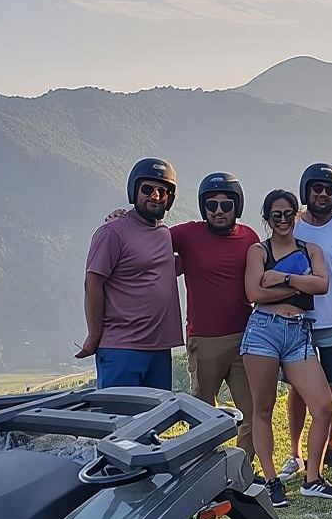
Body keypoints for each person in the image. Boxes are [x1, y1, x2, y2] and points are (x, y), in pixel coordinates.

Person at [241, 190, 332, 505]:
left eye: (288, 214)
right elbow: (253, 293)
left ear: (296, 215)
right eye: (276, 215)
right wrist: (300, 283)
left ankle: (313, 477)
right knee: (263, 408)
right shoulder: (258, 251)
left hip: (299, 332)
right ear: (267, 218)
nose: (283, 220)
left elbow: (322, 285)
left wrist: (282, 278)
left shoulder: (310, 249)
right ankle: (272, 481)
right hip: (263, 332)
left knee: (324, 407)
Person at [280, 164, 332, 484]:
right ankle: (295, 455)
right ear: (306, 190)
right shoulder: (292, 225)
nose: (323, 194)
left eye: (329, 189)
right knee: (297, 392)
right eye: (317, 188)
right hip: (297, 323)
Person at [171, 172, 260, 467]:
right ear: (202, 207)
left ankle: (243, 468)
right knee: (201, 410)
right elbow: (148, 234)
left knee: (252, 408)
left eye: (226, 204)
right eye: (212, 205)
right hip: (204, 339)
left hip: (245, 337)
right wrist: (123, 217)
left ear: (238, 205)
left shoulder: (249, 237)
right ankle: (204, 468)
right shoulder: (186, 235)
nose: (219, 211)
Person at [76, 158, 183, 389]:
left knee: (155, 421)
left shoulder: (165, 234)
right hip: (121, 349)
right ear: (134, 190)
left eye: (162, 191)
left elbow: (172, 267)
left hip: (160, 349)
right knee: (118, 420)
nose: (155, 195)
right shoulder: (112, 232)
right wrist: (93, 335)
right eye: (147, 189)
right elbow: (93, 283)